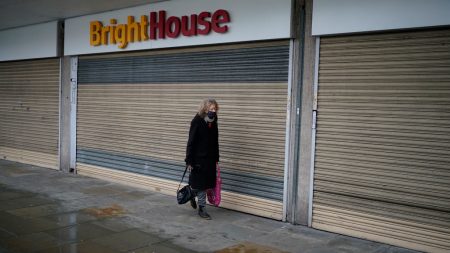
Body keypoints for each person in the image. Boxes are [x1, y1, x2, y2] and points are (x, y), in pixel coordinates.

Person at [185, 98, 220, 220]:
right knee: (202, 185)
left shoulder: (214, 121)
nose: (213, 111)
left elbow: (216, 140)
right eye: (211, 109)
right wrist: (189, 160)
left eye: (215, 109)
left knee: (206, 184)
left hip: (210, 159)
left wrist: (216, 158)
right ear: (205, 109)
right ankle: (202, 209)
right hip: (198, 159)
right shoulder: (197, 121)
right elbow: (191, 142)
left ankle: (192, 194)